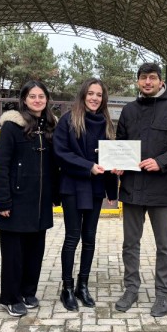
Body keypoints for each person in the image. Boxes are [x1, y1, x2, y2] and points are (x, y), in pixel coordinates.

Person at [113, 62, 167, 317]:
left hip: (162, 190)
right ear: (138, 82)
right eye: (143, 78)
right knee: (130, 244)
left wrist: (160, 162)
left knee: (164, 246)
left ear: (161, 82)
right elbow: (120, 143)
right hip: (132, 189)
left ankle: (162, 294)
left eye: (152, 78)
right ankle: (131, 289)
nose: (147, 82)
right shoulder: (129, 110)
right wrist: (118, 163)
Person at [0, 80, 58, 317]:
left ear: (47, 99)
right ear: (24, 99)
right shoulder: (12, 126)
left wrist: (54, 194)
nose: (37, 100)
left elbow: (55, 164)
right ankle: (10, 297)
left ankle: (28, 291)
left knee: (35, 251)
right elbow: (0, 165)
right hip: (16, 200)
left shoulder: (50, 127)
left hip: (40, 202)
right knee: (13, 254)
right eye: (32, 96)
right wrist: (3, 201)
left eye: (41, 96)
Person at [53, 78, 118, 311]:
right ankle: (67, 288)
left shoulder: (107, 124)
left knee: (89, 237)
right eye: (91, 93)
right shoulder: (68, 120)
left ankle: (83, 285)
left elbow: (111, 158)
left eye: (99, 95)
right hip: (72, 186)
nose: (94, 98)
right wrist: (88, 166)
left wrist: (112, 189)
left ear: (103, 99)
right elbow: (60, 153)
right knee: (72, 237)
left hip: (96, 188)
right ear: (83, 95)